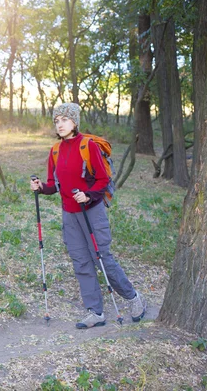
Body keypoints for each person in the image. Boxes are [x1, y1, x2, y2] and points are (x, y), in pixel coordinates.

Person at [30, 102, 146, 329]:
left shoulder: (88, 146)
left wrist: (88, 196)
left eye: (64, 119)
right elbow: (55, 184)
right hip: (69, 214)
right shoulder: (55, 150)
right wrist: (41, 187)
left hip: (91, 212)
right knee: (81, 262)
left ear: (74, 121)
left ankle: (133, 297)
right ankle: (95, 312)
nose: (60, 124)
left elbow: (103, 180)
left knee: (102, 258)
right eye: (57, 120)